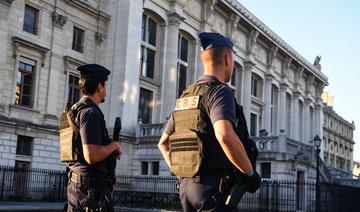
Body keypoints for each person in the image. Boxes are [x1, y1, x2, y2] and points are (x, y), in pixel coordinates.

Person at [158, 32, 261, 211]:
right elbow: (224, 135)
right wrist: (250, 173)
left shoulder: (186, 95)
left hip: (186, 190)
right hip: (213, 191)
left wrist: (182, 173)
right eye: (233, 59)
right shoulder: (220, 91)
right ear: (228, 58)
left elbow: (163, 143)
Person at [65, 64, 122, 212]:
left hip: (76, 186)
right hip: (90, 192)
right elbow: (92, 155)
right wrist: (114, 146)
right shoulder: (91, 113)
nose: (105, 90)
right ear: (100, 86)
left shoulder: (74, 110)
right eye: (105, 85)